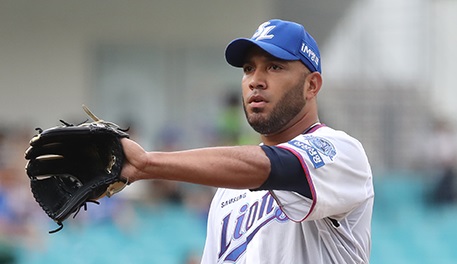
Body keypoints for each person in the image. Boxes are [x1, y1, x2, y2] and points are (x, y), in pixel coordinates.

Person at [120, 19, 374, 264]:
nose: (255, 80)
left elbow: (272, 166)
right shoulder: (228, 192)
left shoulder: (341, 152)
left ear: (311, 85)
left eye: (274, 67)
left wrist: (147, 164)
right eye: (248, 69)